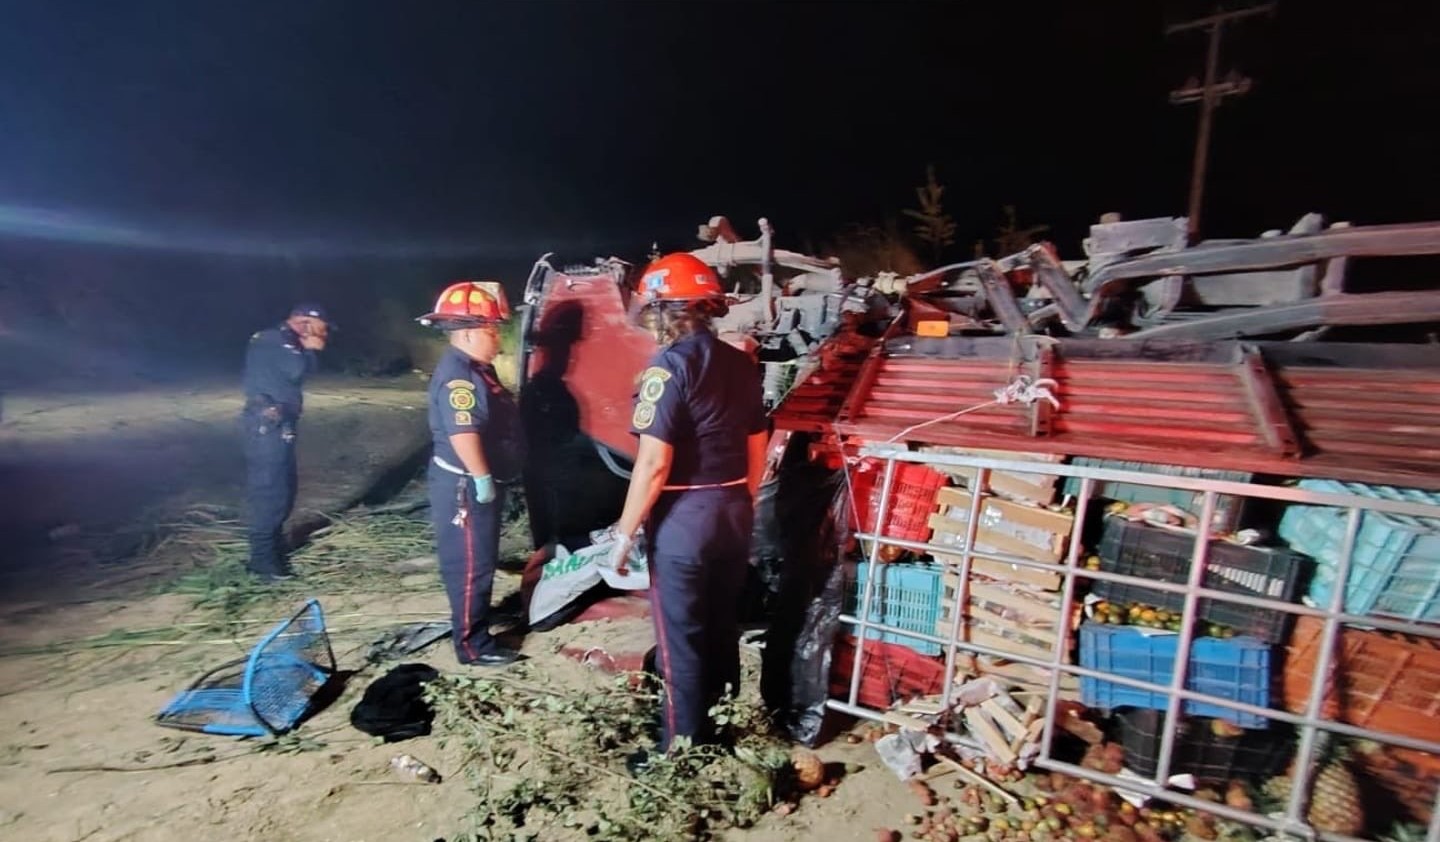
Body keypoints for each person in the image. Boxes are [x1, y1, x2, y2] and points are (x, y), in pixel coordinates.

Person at [608, 253, 768, 761]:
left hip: (683, 520)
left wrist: (623, 532)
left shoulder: (668, 368)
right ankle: (721, 733)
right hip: (733, 510)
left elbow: (654, 463)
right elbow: (758, 444)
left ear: (666, 312)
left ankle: (680, 752)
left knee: (681, 642)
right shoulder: (741, 363)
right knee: (722, 626)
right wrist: (743, 501)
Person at [417, 281, 525, 667]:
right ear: (466, 333)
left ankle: (475, 627)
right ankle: (472, 645)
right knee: (469, 565)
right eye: (491, 329)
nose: (497, 336)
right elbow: (464, 433)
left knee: (480, 560)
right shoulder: (460, 378)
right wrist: (481, 478)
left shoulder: (477, 368)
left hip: (476, 481)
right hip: (464, 485)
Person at [240, 303, 332, 581]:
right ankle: (262, 562)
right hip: (267, 425)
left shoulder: (284, 341)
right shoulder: (274, 340)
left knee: (284, 489)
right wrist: (312, 348)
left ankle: (274, 549)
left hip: (280, 422)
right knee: (270, 491)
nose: (324, 335)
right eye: (322, 329)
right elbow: (297, 372)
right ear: (305, 323)